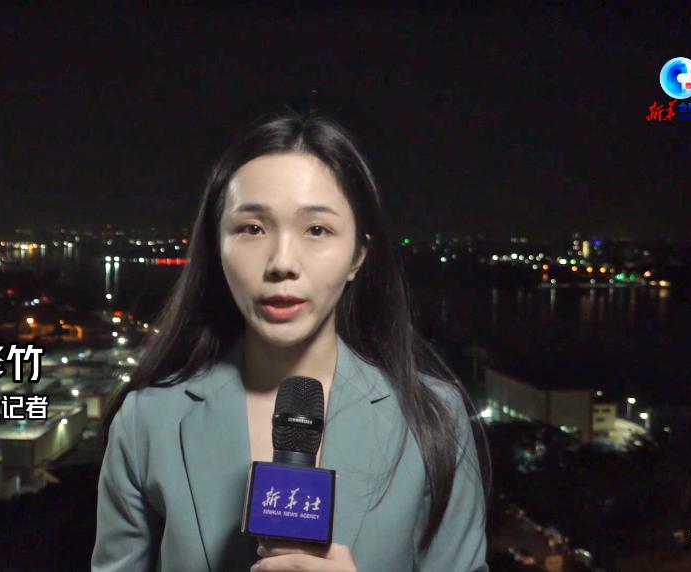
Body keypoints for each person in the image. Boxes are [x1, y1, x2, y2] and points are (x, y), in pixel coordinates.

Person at [92, 110, 491, 572]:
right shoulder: (148, 420)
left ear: (358, 255)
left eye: (317, 230)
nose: (282, 262)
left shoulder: (434, 418)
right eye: (252, 228)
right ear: (217, 247)